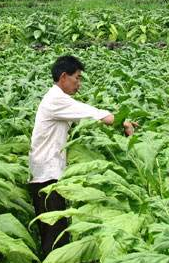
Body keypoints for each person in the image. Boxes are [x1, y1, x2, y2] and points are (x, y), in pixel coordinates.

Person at [28, 55, 137, 258]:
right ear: (63, 77)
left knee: (54, 234)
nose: (79, 83)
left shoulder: (56, 99)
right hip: (46, 177)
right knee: (55, 239)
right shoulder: (56, 99)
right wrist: (122, 122)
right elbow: (89, 112)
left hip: (45, 174)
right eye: (77, 78)